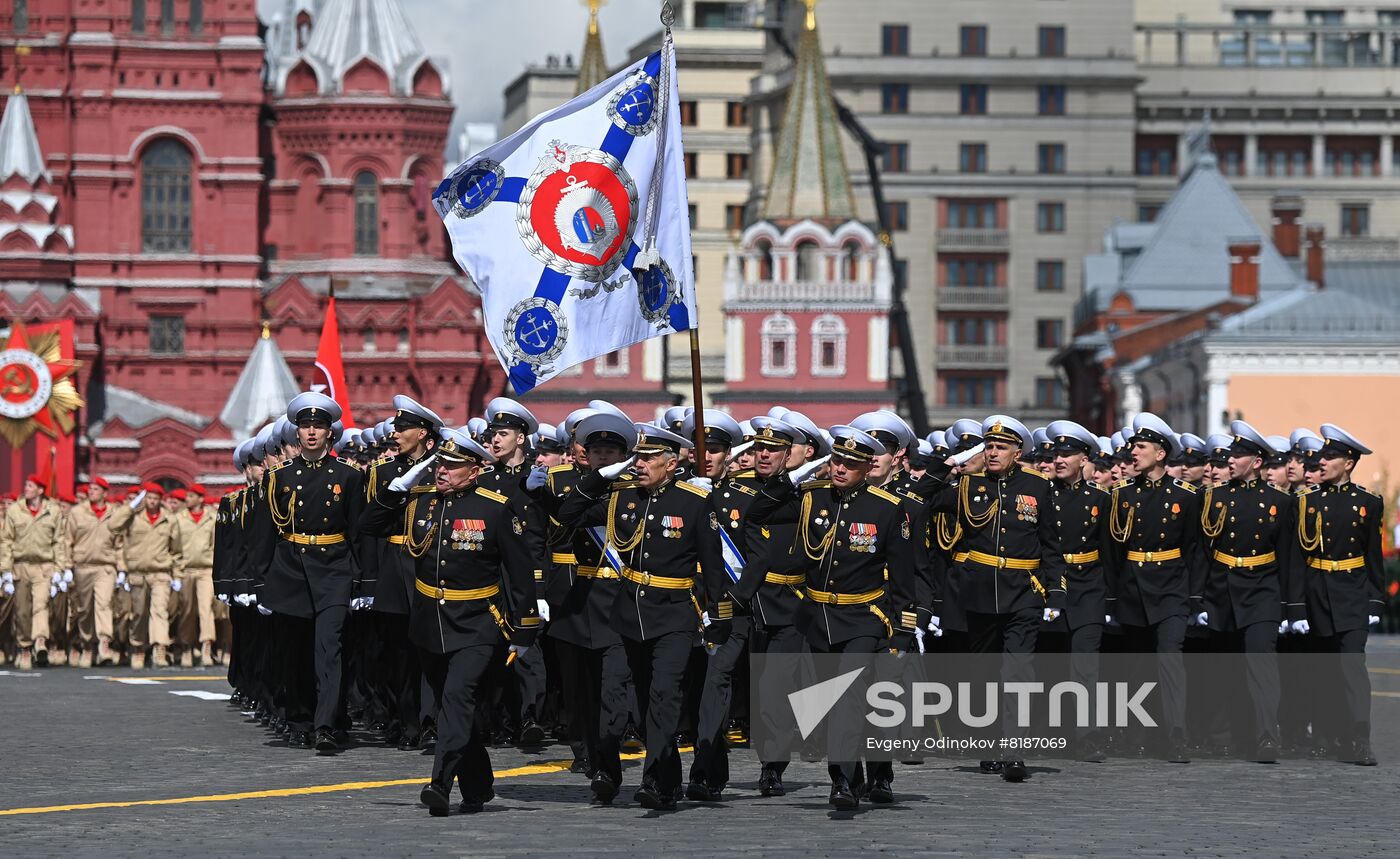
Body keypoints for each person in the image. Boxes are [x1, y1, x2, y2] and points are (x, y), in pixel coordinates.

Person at [360, 427, 540, 815]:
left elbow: (520, 569)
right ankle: (478, 784)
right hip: (429, 623)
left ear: (474, 471)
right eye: (440, 463)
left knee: (458, 699)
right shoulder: (419, 504)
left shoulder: (494, 508)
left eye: (453, 465)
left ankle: (440, 783)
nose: (442, 470)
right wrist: (395, 489)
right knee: (452, 705)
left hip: (477, 623)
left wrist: (526, 626)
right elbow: (368, 525)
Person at [556, 422, 728, 810]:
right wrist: (599, 478)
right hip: (626, 615)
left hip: (673, 615)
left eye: (649, 458)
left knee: (663, 700)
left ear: (671, 464)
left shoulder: (694, 502)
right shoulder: (623, 498)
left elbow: (713, 568)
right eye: (639, 457)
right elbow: (569, 514)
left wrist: (719, 616)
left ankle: (658, 781)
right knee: (620, 698)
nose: (640, 464)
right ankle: (631, 773)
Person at [748, 424, 920, 808]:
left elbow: (904, 577)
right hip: (817, 615)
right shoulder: (811, 498)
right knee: (830, 703)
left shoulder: (888, 509)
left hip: (864, 615)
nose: (840, 469)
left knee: (851, 699)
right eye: (837, 460)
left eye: (850, 463)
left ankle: (846, 780)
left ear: (866, 468)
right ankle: (853, 777)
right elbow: (758, 512)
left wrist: (903, 630)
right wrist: (792, 477)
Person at [917, 415, 1065, 782]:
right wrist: (948, 465)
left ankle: (1015, 750)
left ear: (1018, 452)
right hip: (979, 589)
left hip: (1024, 589)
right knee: (982, 673)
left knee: (1017, 671)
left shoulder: (1037, 486)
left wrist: (1057, 590)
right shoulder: (968, 486)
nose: (993, 452)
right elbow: (921, 499)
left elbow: (1050, 542)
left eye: (1001, 447)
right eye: (989, 446)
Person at [253, 392, 365, 752]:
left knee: (329, 649)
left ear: (330, 432)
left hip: (333, 569)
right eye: (305, 426)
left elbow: (358, 531)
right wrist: (261, 582)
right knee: (296, 652)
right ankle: (299, 718)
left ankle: (327, 725)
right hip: (292, 571)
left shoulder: (347, 476)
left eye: (318, 426)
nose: (312, 432)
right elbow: (264, 533)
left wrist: (363, 581)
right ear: (297, 433)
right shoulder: (280, 477)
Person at [1198, 420, 1302, 762]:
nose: (1229, 460)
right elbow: (1201, 552)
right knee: (1223, 670)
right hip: (1222, 589)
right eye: (1230, 454)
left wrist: (1292, 609)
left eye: (1238, 455)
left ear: (1256, 462)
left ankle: (1266, 737)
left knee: (1262, 666)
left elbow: (1289, 558)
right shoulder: (1212, 498)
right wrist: (1197, 599)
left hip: (1262, 590)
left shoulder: (1280, 502)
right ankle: (1222, 736)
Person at [1106, 412, 1205, 763]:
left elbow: (1195, 549)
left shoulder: (1187, 496)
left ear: (1161, 454)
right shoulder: (1121, 494)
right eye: (1133, 446)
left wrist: (1194, 596)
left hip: (1171, 588)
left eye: (1141, 446)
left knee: (1169, 663)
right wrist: (1113, 596)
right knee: (1135, 667)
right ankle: (1134, 737)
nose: (1134, 452)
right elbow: (1114, 551)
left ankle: (1176, 736)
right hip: (1133, 587)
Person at [1295, 423, 1383, 766]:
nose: (1321, 462)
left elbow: (1373, 554)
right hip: (1318, 591)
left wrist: (1375, 599)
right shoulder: (1306, 503)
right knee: (1324, 669)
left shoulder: (1368, 503)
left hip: (1352, 592)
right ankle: (1326, 735)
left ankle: (1360, 738)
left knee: (1351, 667)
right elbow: (1296, 561)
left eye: (1329, 457)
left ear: (1348, 463)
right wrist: (1297, 606)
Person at [364, 395, 444, 750]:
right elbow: (369, 525)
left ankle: (430, 722)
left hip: (430, 563)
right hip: (396, 566)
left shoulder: (443, 469)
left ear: (424, 433)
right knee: (396, 651)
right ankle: (404, 719)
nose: (395, 433)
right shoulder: (383, 472)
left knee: (430, 647)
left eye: (403, 428)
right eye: (395, 427)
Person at [682, 410, 754, 802]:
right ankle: (708, 765)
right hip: (681, 604)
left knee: (716, 684)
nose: (706, 456)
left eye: (715, 449)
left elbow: (757, 557)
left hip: (727, 606)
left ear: (729, 453)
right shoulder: (675, 493)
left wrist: (736, 598)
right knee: (691, 690)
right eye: (699, 448)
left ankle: (704, 770)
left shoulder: (745, 498)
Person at [477, 396, 550, 745]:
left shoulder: (538, 477)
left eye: (503, 433)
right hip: (492, 573)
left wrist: (541, 586)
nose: (495, 440)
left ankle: (530, 717)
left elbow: (545, 533)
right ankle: (499, 720)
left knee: (528, 649)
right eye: (493, 434)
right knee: (494, 648)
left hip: (528, 573)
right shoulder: (485, 477)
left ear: (521, 438)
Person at [1045, 420, 1118, 761]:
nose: (1059, 459)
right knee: (1052, 663)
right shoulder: (1041, 495)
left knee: (1086, 665)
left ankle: (1088, 735)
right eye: (1057, 453)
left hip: (1088, 585)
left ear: (1084, 458)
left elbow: (1109, 550)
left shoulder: (1100, 500)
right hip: (1050, 585)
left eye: (1067, 454)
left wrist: (1111, 598)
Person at [107, 483, 183, 669]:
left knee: (159, 612)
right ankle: (138, 648)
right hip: (138, 574)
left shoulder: (169, 519)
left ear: (160, 500)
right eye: (148, 498)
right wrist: (131, 506)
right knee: (139, 614)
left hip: (160, 573)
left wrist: (177, 574)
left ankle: (159, 648)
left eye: (155, 498)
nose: (152, 502)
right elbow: (113, 525)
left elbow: (177, 549)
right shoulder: (133, 517)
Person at [0, 474, 71, 670]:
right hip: (21, 566)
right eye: (26, 484)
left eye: (31, 485)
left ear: (40, 490)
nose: (27, 488)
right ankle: (24, 647)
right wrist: (5, 570)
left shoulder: (53, 511)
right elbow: (6, 540)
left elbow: (59, 541)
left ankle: (40, 641)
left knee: (42, 605)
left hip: (44, 566)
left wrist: (60, 569)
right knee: (22, 611)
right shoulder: (15, 510)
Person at [66, 476, 120, 667]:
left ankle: (104, 643)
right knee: (85, 609)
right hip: (83, 567)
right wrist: (66, 566)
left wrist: (122, 569)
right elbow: (68, 541)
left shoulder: (114, 514)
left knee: (104, 604)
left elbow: (120, 543)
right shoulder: (77, 513)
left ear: (105, 493)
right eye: (90, 489)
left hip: (105, 567)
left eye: (96, 489)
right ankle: (87, 645)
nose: (91, 492)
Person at [172, 484, 217, 667]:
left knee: (206, 609)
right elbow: (174, 547)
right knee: (187, 611)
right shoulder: (179, 519)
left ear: (200, 498)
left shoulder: (212, 518)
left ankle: (206, 645)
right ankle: (186, 647)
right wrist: (176, 571)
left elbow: (216, 545)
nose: (187, 499)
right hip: (186, 571)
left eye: (191, 496)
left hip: (206, 570)